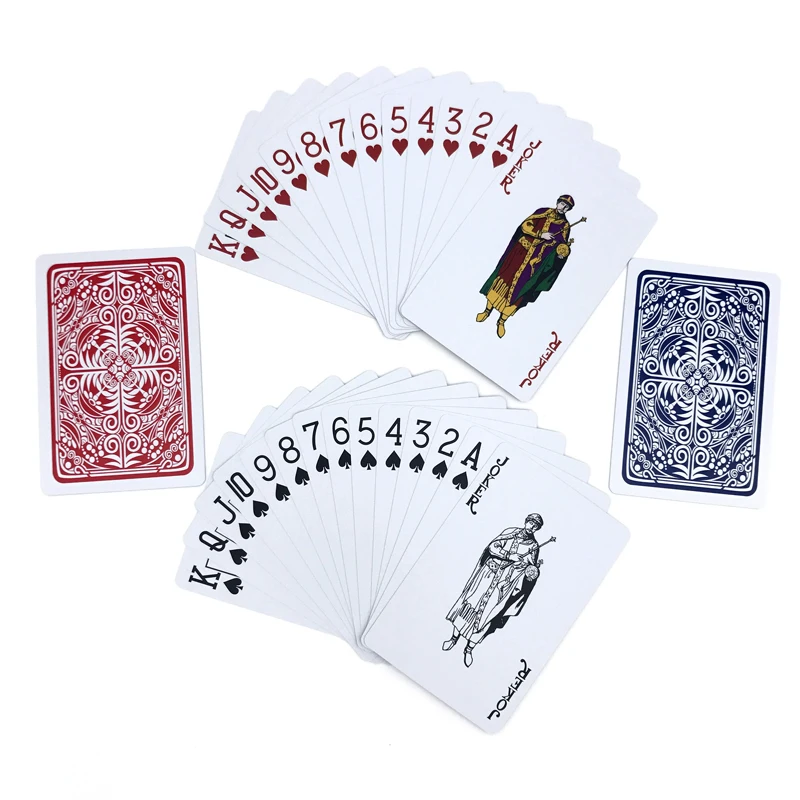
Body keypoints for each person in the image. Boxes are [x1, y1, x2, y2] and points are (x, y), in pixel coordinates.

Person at [443, 513, 556, 667]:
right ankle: (453, 639)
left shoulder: (533, 546)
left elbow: (528, 570)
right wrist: (510, 555)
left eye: (535, 526)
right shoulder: (511, 532)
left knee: (487, 616)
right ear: (526, 521)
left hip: (502, 585)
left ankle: (469, 649)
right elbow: (493, 547)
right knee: (469, 606)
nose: (532, 527)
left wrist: (531, 571)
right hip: (487, 575)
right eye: (531, 523)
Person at [476, 195, 582, 338]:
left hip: (534, 264)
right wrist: (540, 234)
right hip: (519, 253)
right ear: (557, 202)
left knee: (520, 291)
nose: (563, 208)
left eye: (566, 207)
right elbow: (525, 226)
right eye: (562, 204)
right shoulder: (543, 211)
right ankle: (487, 311)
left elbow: (560, 245)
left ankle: (501, 321)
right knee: (503, 280)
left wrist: (561, 252)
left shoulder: (565, 226)